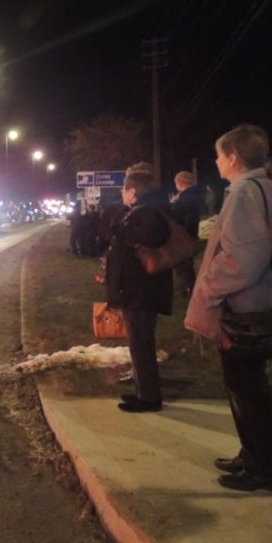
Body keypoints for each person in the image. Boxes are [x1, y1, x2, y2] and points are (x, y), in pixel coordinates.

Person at [185, 124, 272, 491]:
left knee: (245, 388)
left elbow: (243, 259)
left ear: (234, 158)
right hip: (260, 300)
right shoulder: (267, 187)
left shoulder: (243, 193)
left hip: (243, 306)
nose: (216, 161)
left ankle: (263, 467)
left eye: (219, 155)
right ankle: (255, 454)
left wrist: (208, 286)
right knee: (253, 386)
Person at [103, 162, 172, 412]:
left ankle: (149, 398)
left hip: (142, 289)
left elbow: (150, 237)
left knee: (141, 342)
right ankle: (143, 390)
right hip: (137, 288)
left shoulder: (148, 211)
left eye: (124, 190)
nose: (122, 194)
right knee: (139, 342)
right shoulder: (144, 210)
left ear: (133, 191)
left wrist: (119, 227)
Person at [170, 170, 202, 296]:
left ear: (180, 182)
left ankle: (189, 288)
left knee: (182, 263)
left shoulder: (186, 198)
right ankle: (188, 287)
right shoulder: (192, 195)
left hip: (184, 233)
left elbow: (178, 214)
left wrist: (174, 204)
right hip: (190, 232)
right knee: (186, 262)